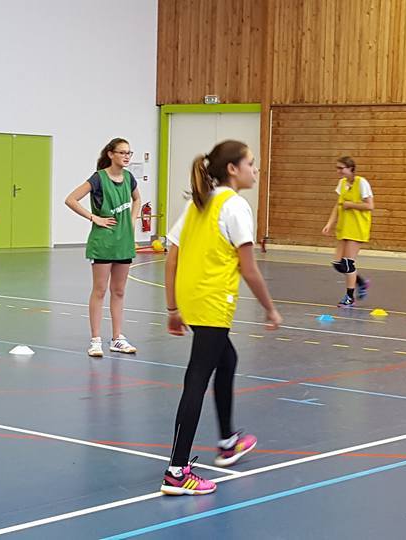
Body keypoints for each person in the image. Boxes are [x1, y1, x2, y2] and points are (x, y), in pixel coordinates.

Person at [161, 140, 282, 496]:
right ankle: (177, 471)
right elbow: (249, 268)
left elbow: (172, 257)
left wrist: (173, 307)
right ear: (233, 169)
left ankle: (228, 441)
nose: (255, 169)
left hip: (192, 298)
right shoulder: (235, 206)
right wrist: (270, 308)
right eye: (250, 162)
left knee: (227, 359)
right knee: (197, 378)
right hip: (213, 301)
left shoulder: (198, 203)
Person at [64, 138, 141, 357]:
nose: (126, 156)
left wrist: (132, 220)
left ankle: (117, 338)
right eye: (122, 152)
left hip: (123, 241)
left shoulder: (129, 178)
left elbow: (137, 200)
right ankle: (96, 339)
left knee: (119, 291)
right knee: (99, 290)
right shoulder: (98, 178)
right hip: (103, 242)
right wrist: (94, 217)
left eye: (129, 153)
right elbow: (71, 199)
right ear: (111, 154)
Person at [321, 156, 374, 307]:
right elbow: (338, 206)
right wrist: (329, 223)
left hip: (357, 227)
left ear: (350, 168)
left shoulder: (361, 183)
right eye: (337, 168)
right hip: (344, 227)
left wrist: (351, 205)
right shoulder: (342, 184)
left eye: (341, 168)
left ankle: (350, 298)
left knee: (348, 263)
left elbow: (370, 206)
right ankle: (361, 282)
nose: (338, 171)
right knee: (338, 264)